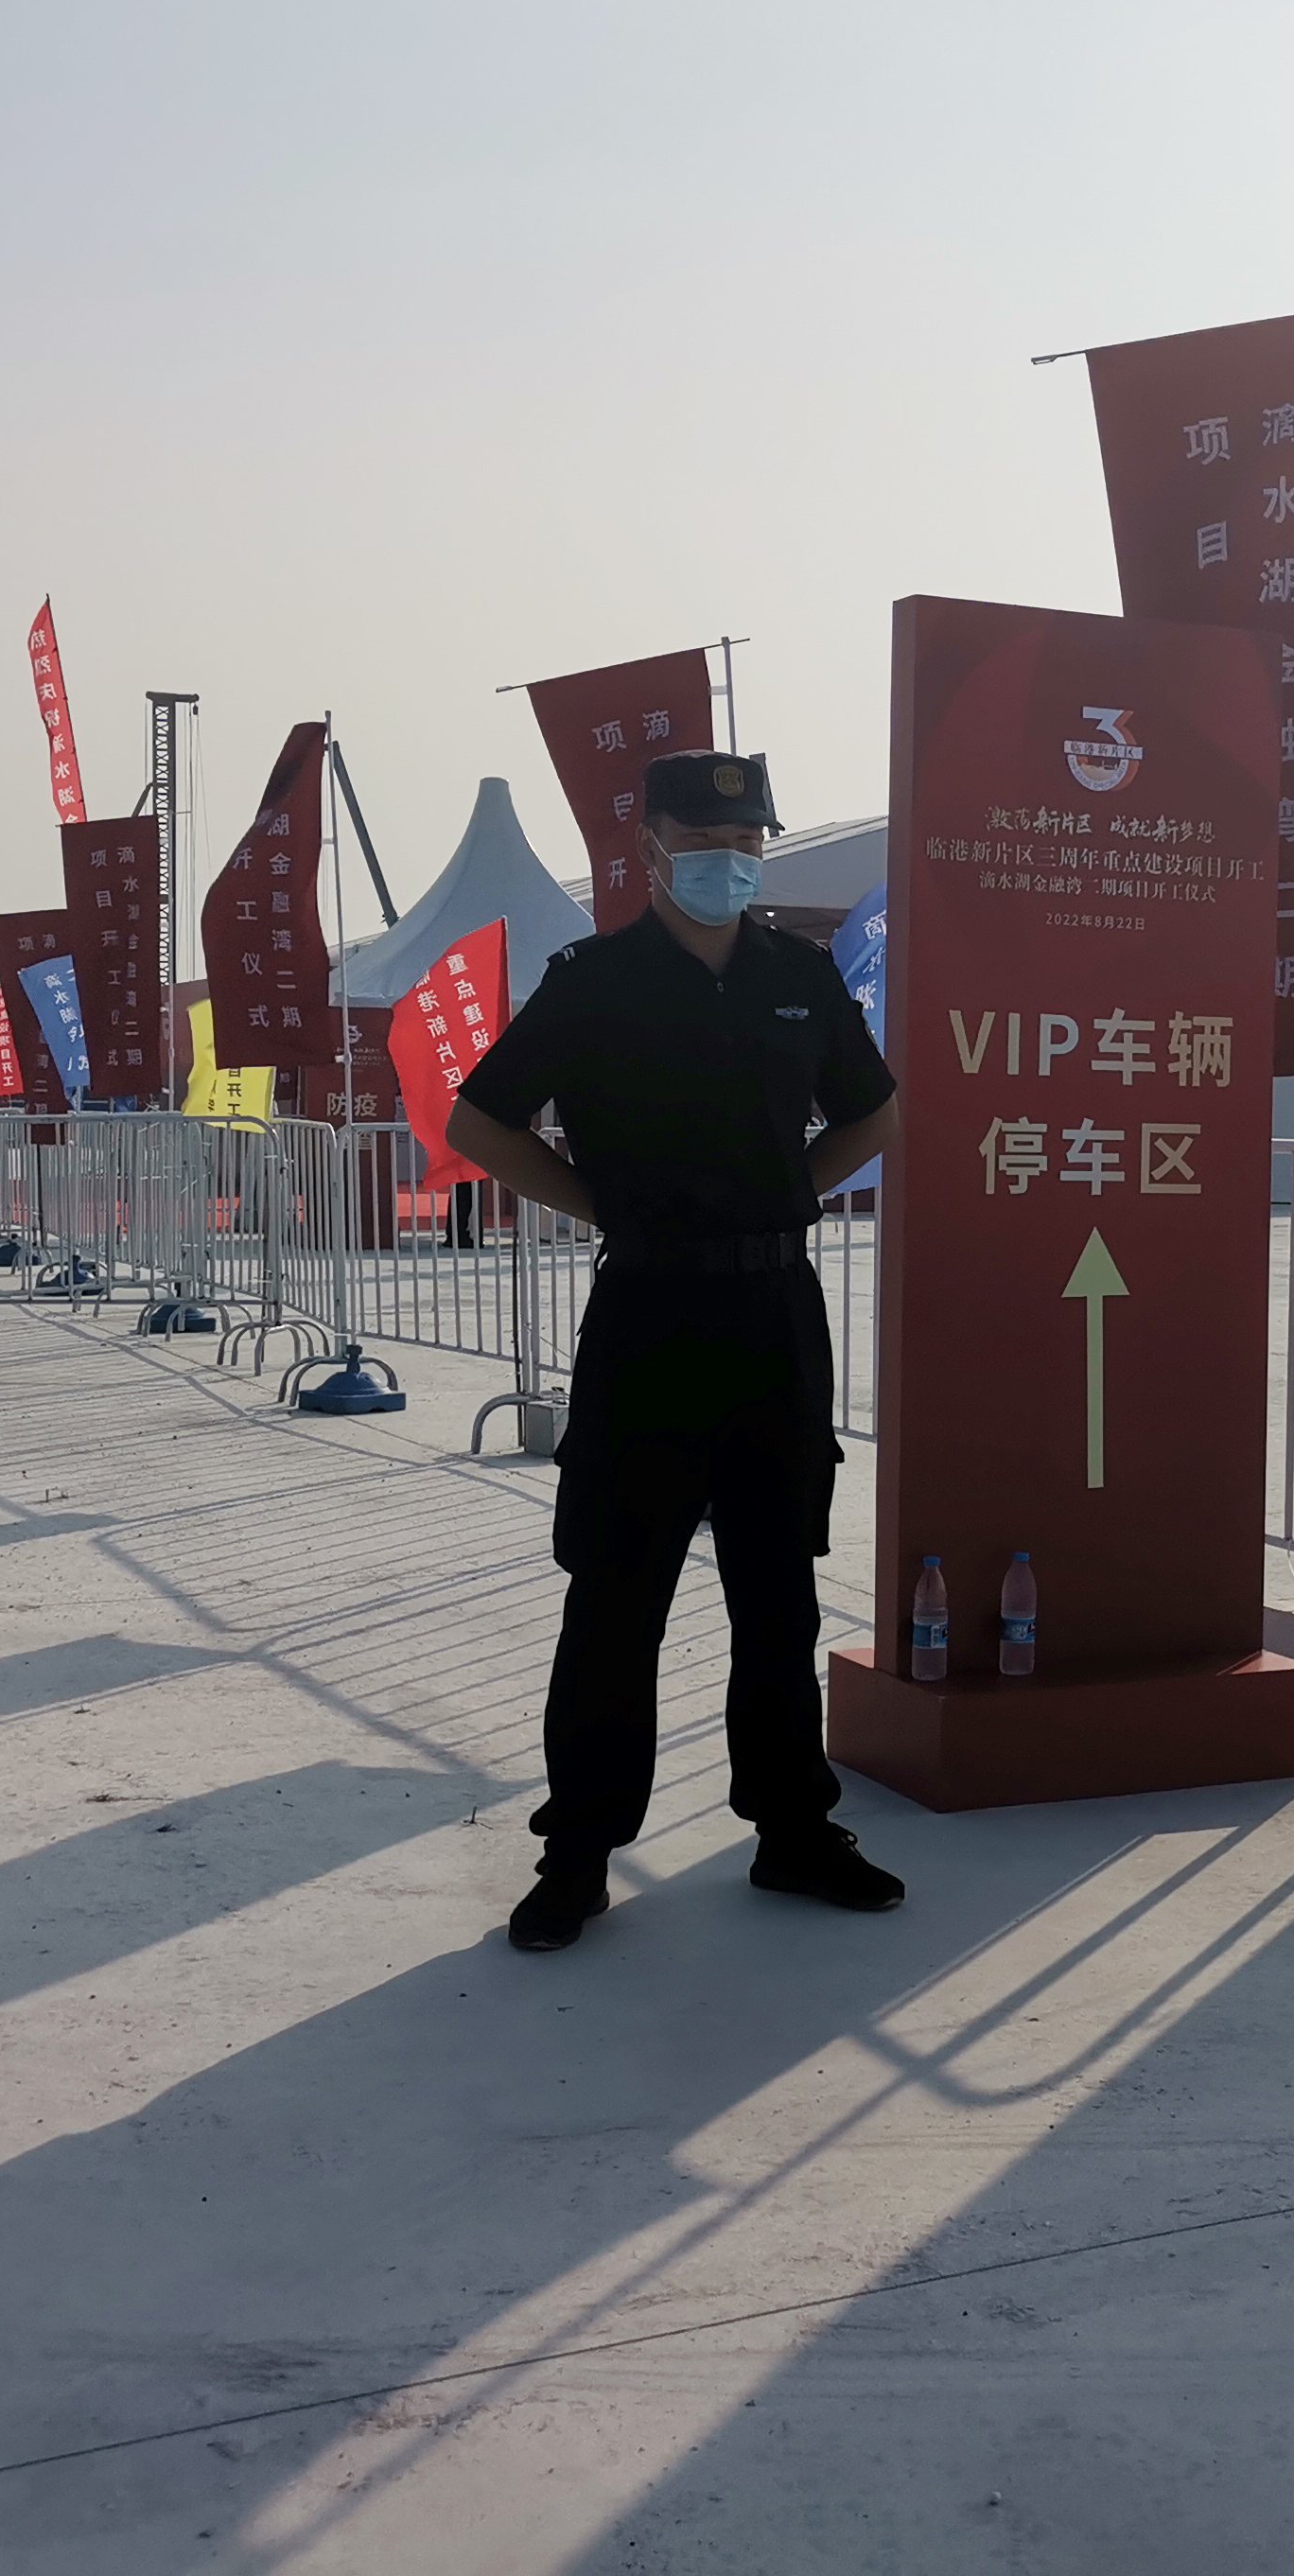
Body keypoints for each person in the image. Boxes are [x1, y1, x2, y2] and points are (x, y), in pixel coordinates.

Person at [446, 750, 905, 1953]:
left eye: (746, 842)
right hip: (647, 1316)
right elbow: (477, 1120)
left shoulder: (797, 977)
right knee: (616, 1594)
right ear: (650, 848)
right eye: (703, 844)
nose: (728, 862)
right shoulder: (593, 982)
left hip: (773, 1316)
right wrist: (601, 1208)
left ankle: (793, 1831)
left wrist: (789, 1199)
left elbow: (873, 1110)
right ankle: (578, 1852)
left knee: (778, 1593)